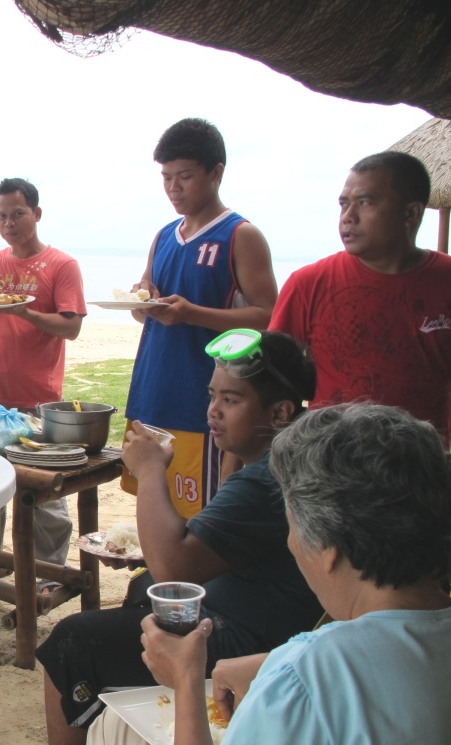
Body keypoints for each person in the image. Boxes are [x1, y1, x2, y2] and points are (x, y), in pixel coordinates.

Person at [0, 330, 323, 745]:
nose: (213, 411)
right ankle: (109, 733)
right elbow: (208, 542)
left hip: (259, 641)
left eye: (231, 400)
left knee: (73, 641)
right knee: (144, 585)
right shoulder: (290, 453)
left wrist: (152, 470)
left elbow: (178, 563)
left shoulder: (267, 477)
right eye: (212, 396)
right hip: (271, 610)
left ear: (279, 413)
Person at [70, 403, 451, 745]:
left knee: (111, 732)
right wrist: (271, 663)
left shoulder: (306, 676)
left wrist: (186, 680)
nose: (291, 543)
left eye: (293, 528)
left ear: (329, 550)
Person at [123, 118, 278, 520]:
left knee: (200, 519)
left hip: (200, 403)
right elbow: (144, 304)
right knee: (153, 511)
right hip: (150, 394)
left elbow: (268, 317)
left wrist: (191, 313)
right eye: (166, 177)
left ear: (215, 173)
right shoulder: (163, 236)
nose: (173, 188)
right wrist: (141, 302)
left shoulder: (240, 235)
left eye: (185, 176)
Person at [0, 178, 87, 587]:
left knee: (44, 495)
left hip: (39, 401)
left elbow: (71, 327)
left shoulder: (61, 265)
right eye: (1, 216)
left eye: (17, 214)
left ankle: (47, 573)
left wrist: (24, 313)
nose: (9, 223)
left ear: (37, 214)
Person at [270, 150, 451, 444]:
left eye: (365, 202)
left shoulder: (445, 280)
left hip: (424, 462)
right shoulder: (308, 283)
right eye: (344, 204)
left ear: (410, 213)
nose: (348, 217)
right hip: (327, 459)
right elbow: (272, 380)